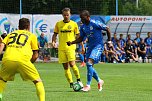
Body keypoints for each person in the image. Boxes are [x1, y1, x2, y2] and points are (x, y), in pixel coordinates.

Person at [0, 18, 45, 101]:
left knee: (2, 79)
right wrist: (29, 63)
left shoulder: (11, 34)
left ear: (18, 26)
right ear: (28, 26)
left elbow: (2, 44)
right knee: (37, 81)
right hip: (23, 60)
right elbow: (35, 55)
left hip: (7, 59)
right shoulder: (32, 35)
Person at [67, 10, 111, 91]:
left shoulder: (94, 23)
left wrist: (109, 41)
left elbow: (107, 29)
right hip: (90, 47)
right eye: (80, 18)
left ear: (88, 17)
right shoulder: (83, 27)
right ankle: (99, 81)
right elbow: (81, 38)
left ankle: (87, 85)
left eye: (83, 18)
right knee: (89, 65)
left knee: (89, 63)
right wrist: (72, 42)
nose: (81, 20)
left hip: (98, 46)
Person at [52, 7, 81, 88]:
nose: (66, 16)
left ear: (70, 15)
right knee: (65, 67)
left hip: (71, 47)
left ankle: (78, 79)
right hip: (61, 48)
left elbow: (78, 35)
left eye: (67, 15)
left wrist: (81, 45)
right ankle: (71, 83)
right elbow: (55, 34)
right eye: (64, 15)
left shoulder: (74, 24)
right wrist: (53, 42)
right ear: (62, 15)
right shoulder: (58, 24)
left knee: (72, 64)